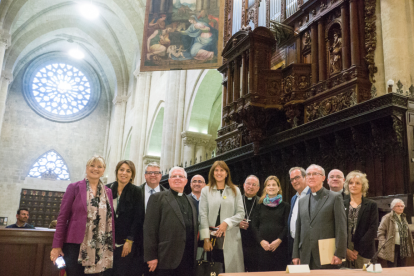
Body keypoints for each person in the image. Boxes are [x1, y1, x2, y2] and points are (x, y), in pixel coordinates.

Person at [50, 156, 115, 276]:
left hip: (100, 246)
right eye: (92, 165)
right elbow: (62, 218)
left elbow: (110, 220)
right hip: (75, 245)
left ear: (103, 170)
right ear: (86, 168)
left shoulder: (108, 192)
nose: (95, 169)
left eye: (99, 166)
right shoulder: (74, 188)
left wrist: (111, 245)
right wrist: (56, 246)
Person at [144, 167, 198, 276]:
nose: (177, 179)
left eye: (181, 176)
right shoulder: (157, 198)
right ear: (169, 180)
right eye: (174, 176)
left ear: (186, 181)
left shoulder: (191, 201)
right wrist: (151, 256)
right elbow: (149, 229)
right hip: (166, 256)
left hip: (188, 256)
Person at [292, 164, 347, 269]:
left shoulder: (334, 197)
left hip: (326, 255)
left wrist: (339, 253)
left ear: (323, 178)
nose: (311, 177)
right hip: (305, 255)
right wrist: (295, 254)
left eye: (315, 174)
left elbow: (341, 228)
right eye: (308, 174)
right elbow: (298, 228)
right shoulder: (302, 201)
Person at [199, 160, 245, 273]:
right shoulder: (205, 190)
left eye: (222, 170)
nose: (219, 173)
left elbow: (241, 213)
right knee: (213, 269)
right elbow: (203, 215)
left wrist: (226, 223)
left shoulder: (235, 190)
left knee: (230, 269)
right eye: (216, 170)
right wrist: (206, 239)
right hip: (212, 238)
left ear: (226, 173)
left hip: (231, 236)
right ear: (212, 173)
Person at [105, 160, 141, 276]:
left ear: (132, 175)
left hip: (125, 242)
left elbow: (138, 217)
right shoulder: (107, 189)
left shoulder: (136, 191)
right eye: (121, 170)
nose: (124, 173)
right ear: (117, 172)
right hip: (107, 242)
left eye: (128, 171)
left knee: (122, 271)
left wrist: (129, 241)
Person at [252, 175, 289, 271]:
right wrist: (261, 241)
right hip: (263, 249)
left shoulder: (285, 206)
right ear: (265, 188)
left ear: (279, 188)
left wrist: (279, 240)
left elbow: (287, 226)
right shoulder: (259, 206)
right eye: (268, 185)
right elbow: (254, 226)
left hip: (280, 248)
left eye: (274, 185)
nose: (271, 187)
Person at [137, 162, 167, 276]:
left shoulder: (167, 195)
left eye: (156, 173)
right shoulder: (136, 192)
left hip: (159, 245)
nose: (153, 175)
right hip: (138, 244)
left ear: (161, 175)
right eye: (149, 173)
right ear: (145, 175)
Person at [343, 171, 378, 269]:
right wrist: (345, 249)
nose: (353, 185)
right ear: (347, 185)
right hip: (345, 250)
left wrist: (357, 250)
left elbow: (373, 229)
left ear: (363, 186)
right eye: (351, 183)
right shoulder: (341, 204)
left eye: (357, 183)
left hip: (364, 249)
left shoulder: (371, 205)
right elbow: (338, 228)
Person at [378, 198, 414, 267]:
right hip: (392, 246)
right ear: (393, 208)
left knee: (402, 266)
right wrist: (383, 243)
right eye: (398, 206)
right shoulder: (387, 217)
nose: (401, 208)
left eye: (402, 206)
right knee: (392, 267)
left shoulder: (403, 217)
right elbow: (380, 231)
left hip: (403, 246)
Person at [287, 167, 310, 260]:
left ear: (305, 177)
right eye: (292, 179)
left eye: (297, 177)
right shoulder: (294, 198)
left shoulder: (312, 194)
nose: (295, 181)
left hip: (307, 244)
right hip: (294, 243)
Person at [239, 175, 260, 272]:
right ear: (244, 185)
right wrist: (237, 224)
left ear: (258, 188)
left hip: (256, 245)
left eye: (254, 185)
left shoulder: (261, 202)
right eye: (248, 184)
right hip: (239, 243)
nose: (250, 187)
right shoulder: (236, 201)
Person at [187, 174, 206, 259]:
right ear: (190, 184)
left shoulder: (208, 200)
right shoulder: (185, 199)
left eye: (200, 182)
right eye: (194, 181)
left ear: (204, 185)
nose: (197, 184)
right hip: (189, 241)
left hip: (205, 240)